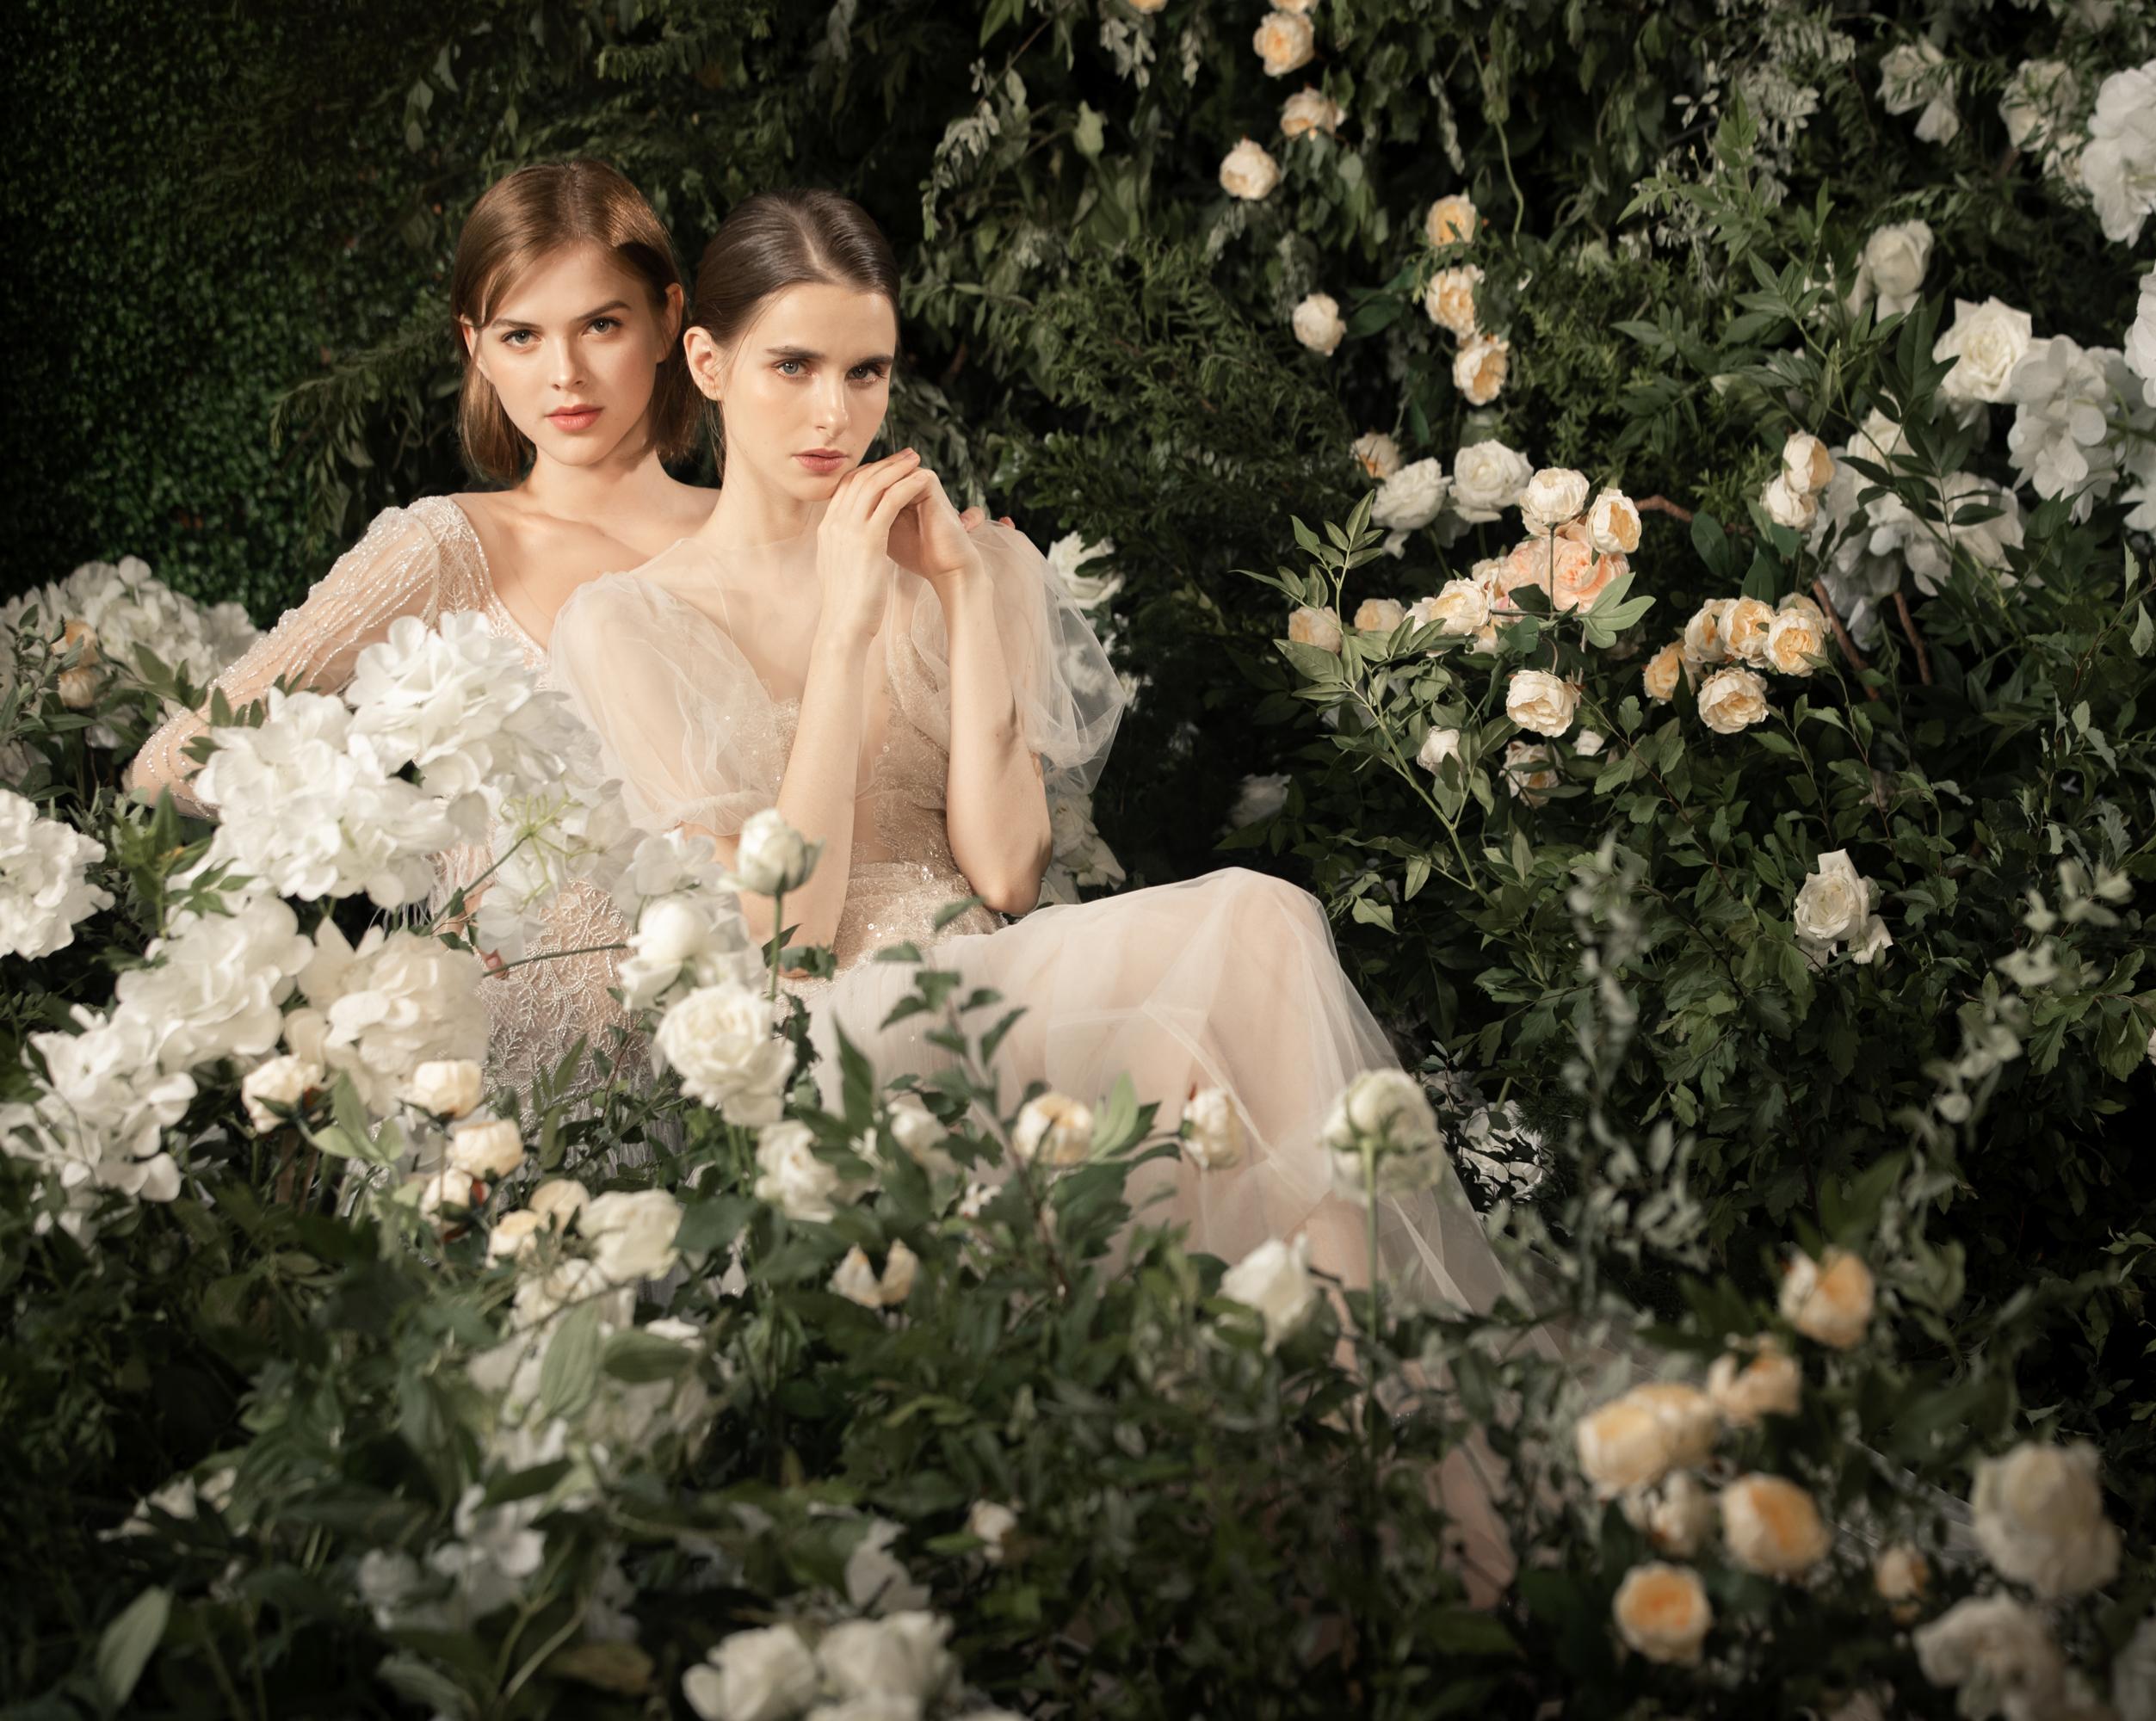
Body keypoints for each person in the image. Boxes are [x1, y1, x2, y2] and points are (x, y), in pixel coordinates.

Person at [547, 189, 1544, 1589]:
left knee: (1257, 947)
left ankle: (1382, 1506)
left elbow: (1010, 873)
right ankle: (1405, 1509)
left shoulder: (958, 561)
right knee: (1254, 924)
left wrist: (962, 593)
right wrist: (843, 624)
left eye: (865, 371)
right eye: (793, 367)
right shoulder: (626, 621)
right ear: (705, 364)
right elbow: (783, 933)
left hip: (993, 961)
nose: (833, 412)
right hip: (829, 1026)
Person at [129, 158, 716, 1109]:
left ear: (666, 318)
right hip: (510, 1084)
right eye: (521, 335)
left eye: (600, 325)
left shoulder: (762, 534)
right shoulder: (444, 546)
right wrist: (365, 816)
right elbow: (166, 762)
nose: (564, 373)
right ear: (475, 348)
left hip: (737, 1057)